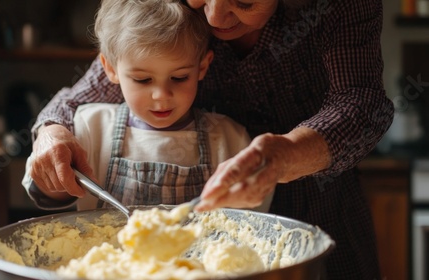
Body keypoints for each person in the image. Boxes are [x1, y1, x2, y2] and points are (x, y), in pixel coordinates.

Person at [28, 0, 393, 278]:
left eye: (244, 1)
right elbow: (84, 94)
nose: (215, 17)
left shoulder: (338, 7)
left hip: (324, 208)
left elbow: (362, 102)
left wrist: (288, 154)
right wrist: (52, 133)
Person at [22, 0, 273, 212]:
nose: (162, 96)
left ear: (203, 67)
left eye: (179, 77)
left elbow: (252, 221)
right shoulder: (89, 128)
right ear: (110, 68)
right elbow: (46, 191)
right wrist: (53, 176)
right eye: (143, 79)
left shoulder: (230, 140)